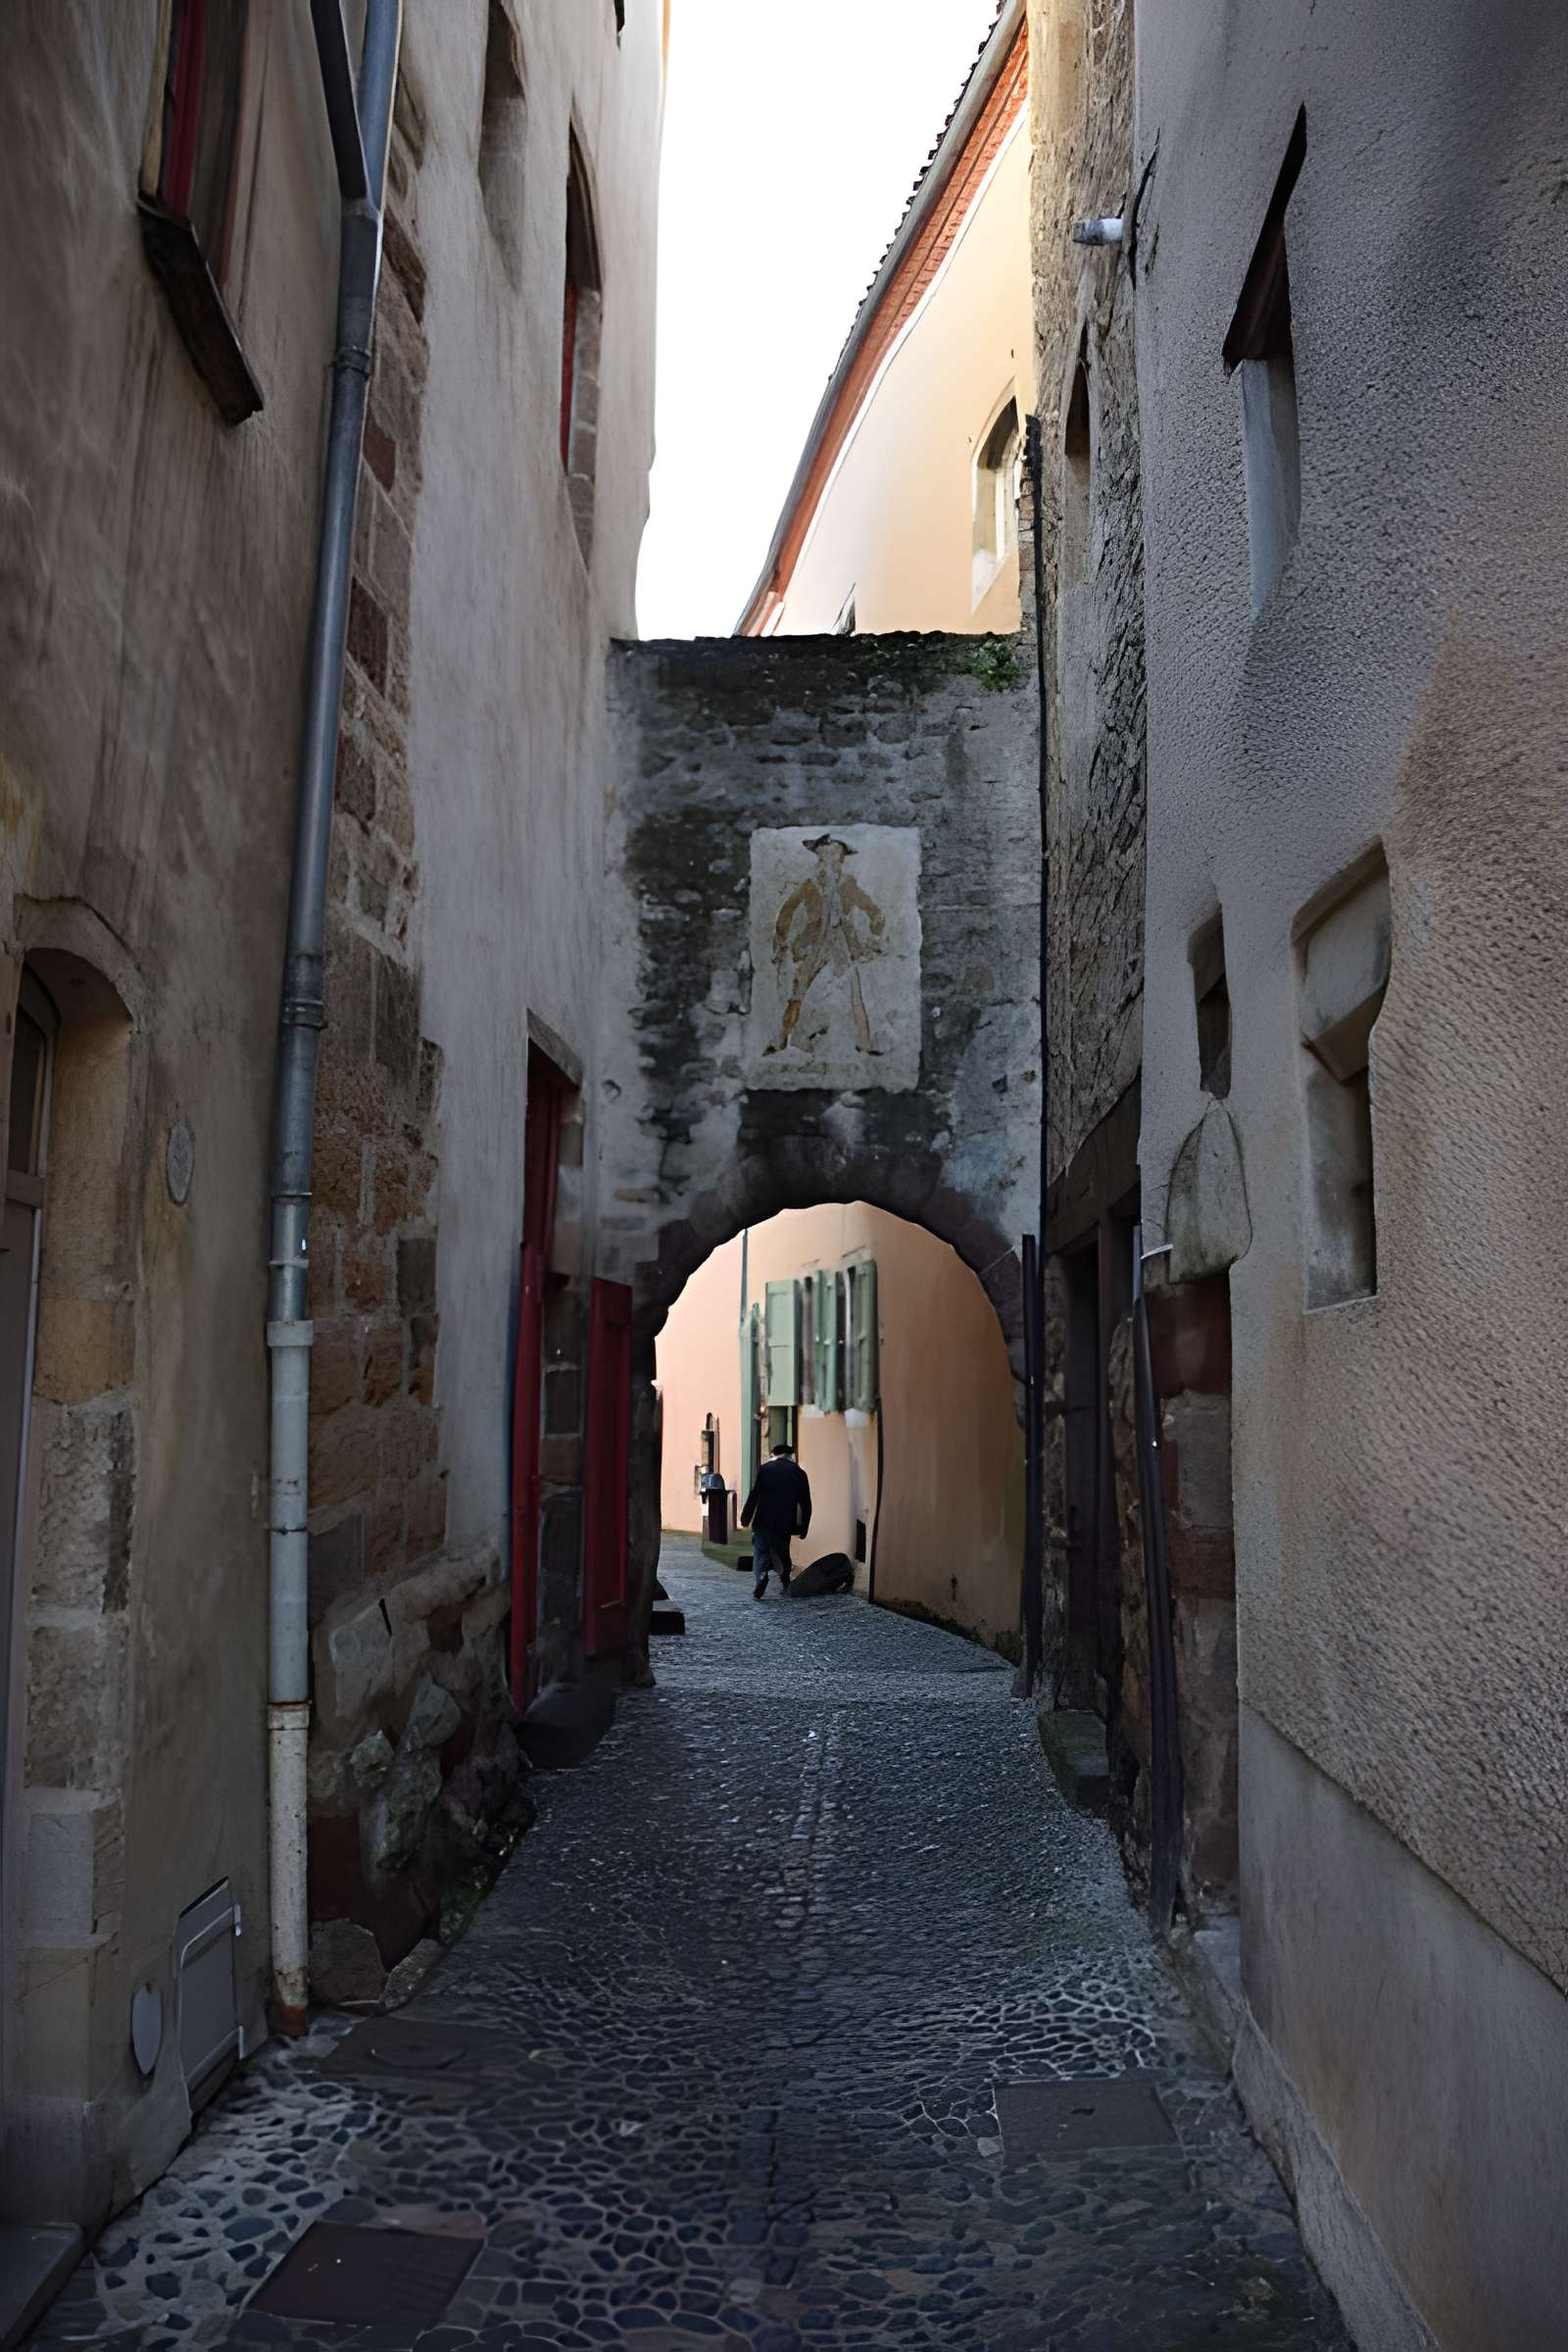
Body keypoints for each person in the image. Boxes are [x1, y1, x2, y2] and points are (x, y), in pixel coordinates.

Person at [739, 1441, 811, 1599]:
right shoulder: (798, 1472)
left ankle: (761, 1576)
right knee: (782, 1553)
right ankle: (785, 1581)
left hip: (762, 1520)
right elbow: (806, 1502)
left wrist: (746, 1517)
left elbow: (754, 1494)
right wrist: (804, 1527)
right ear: (791, 1455)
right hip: (784, 1521)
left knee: (760, 1552)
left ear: (774, 1455)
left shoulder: (765, 1469)